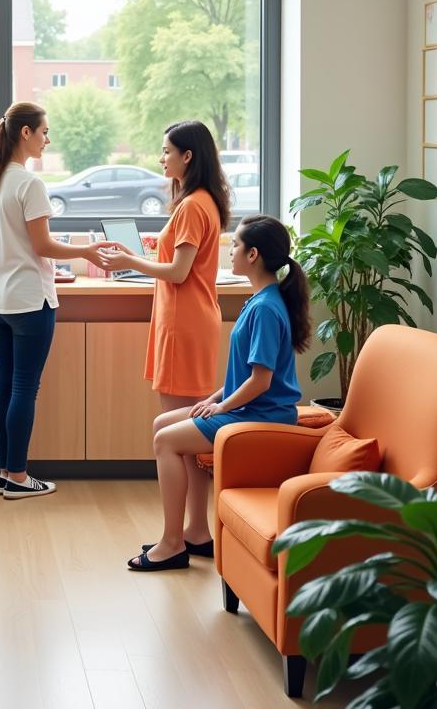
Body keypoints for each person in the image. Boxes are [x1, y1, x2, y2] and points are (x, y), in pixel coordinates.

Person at [125, 215, 310, 570]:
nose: (231, 251)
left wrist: (222, 406)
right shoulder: (260, 301)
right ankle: (195, 531)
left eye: (236, 245)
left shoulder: (267, 309)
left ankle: (172, 543)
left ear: (253, 255)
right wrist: (213, 398)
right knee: (163, 424)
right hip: (247, 408)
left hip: (261, 414)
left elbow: (261, 381)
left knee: (166, 441)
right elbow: (247, 372)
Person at [97, 120, 230, 555]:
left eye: (166, 151)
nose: (161, 158)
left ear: (187, 156)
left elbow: (178, 272)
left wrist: (132, 260)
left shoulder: (193, 206)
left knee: (183, 439)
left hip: (185, 325)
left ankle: (183, 535)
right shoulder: (200, 202)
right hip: (185, 322)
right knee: (188, 440)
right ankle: (195, 530)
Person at [0, 102, 106, 500]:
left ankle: (5, 472)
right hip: (30, 301)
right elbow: (43, 243)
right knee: (24, 389)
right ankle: (17, 475)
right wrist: (86, 251)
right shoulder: (29, 185)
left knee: (6, 386)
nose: (47, 139)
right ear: (25, 133)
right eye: (44, 132)